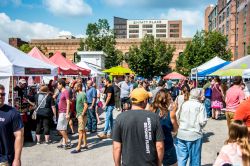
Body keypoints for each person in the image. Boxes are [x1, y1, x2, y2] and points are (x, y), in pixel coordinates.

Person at [112, 88, 165, 166]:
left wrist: (117, 165)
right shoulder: (153, 117)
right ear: (144, 101)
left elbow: (116, 147)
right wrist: (159, 164)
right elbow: (159, 146)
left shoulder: (120, 118)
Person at [175, 88, 207, 166]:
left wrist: (181, 124)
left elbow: (176, 116)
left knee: (181, 158)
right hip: (194, 135)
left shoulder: (184, 104)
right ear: (199, 96)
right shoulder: (200, 106)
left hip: (181, 134)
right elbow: (202, 121)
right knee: (195, 159)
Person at [151, 89, 179, 166]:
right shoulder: (171, 113)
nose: (171, 100)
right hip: (167, 146)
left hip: (152, 147)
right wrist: (175, 112)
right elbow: (175, 129)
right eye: (169, 99)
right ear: (165, 100)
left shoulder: (150, 111)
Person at [0, 84, 24, 166]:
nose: (0, 96)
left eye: (2, 94)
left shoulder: (12, 112)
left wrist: (17, 159)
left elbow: (19, 136)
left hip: (4, 159)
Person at [71, 83, 88, 153]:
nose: (74, 88)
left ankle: (78, 147)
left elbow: (86, 105)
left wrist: (82, 114)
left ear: (79, 87)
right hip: (79, 115)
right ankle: (85, 144)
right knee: (83, 130)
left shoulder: (83, 94)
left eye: (75, 87)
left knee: (80, 131)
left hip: (81, 115)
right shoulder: (78, 94)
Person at [56, 79, 72, 149]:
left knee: (59, 128)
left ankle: (68, 140)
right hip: (61, 112)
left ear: (61, 84)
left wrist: (67, 113)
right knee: (64, 128)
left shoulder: (65, 91)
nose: (57, 86)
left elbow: (68, 102)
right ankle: (64, 143)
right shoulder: (61, 92)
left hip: (64, 112)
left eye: (58, 84)